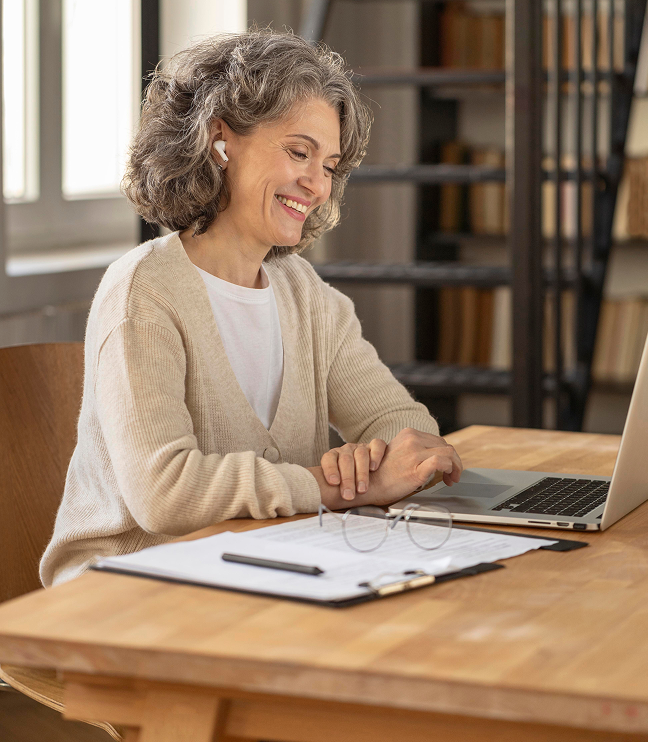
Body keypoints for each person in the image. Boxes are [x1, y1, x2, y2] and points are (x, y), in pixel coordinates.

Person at [40, 30, 462, 587]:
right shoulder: (143, 290)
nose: (316, 185)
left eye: (330, 165)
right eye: (298, 151)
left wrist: (368, 462)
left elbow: (411, 433)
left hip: (259, 572)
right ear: (220, 140)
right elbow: (164, 495)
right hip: (124, 590)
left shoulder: (304, 294)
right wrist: (330, 485)